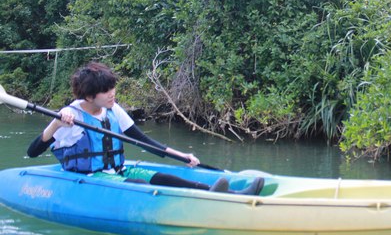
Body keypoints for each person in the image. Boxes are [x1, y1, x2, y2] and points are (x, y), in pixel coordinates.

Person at [27, 62, 264, 196]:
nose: (113, 94)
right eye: (106, 91)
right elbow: (33, 151)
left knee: (165, 177)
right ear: (90, 95)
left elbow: (143, 141)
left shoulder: (113, 110)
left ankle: (229, 195)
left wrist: (182, 156)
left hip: (118, 171)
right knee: (140, 187)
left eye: (113, 88)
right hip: (91, 178)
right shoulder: (70, 115)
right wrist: (57, 123)